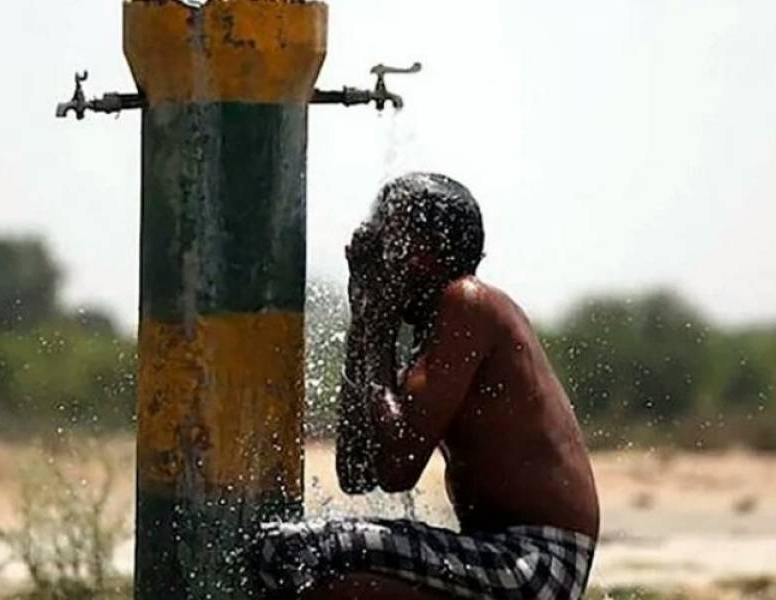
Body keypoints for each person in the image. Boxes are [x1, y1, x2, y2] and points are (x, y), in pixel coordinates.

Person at [257, 173, 600, 599]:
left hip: (537, 560)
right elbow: (357, 471)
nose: (367, 242)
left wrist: (377, 323)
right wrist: (365, 323)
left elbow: (398, 467)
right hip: (502, 555)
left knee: (293, 551)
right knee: (333, 576)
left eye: (385, 230)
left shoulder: (468, 303)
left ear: (424, 252)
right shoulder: (435, 331)